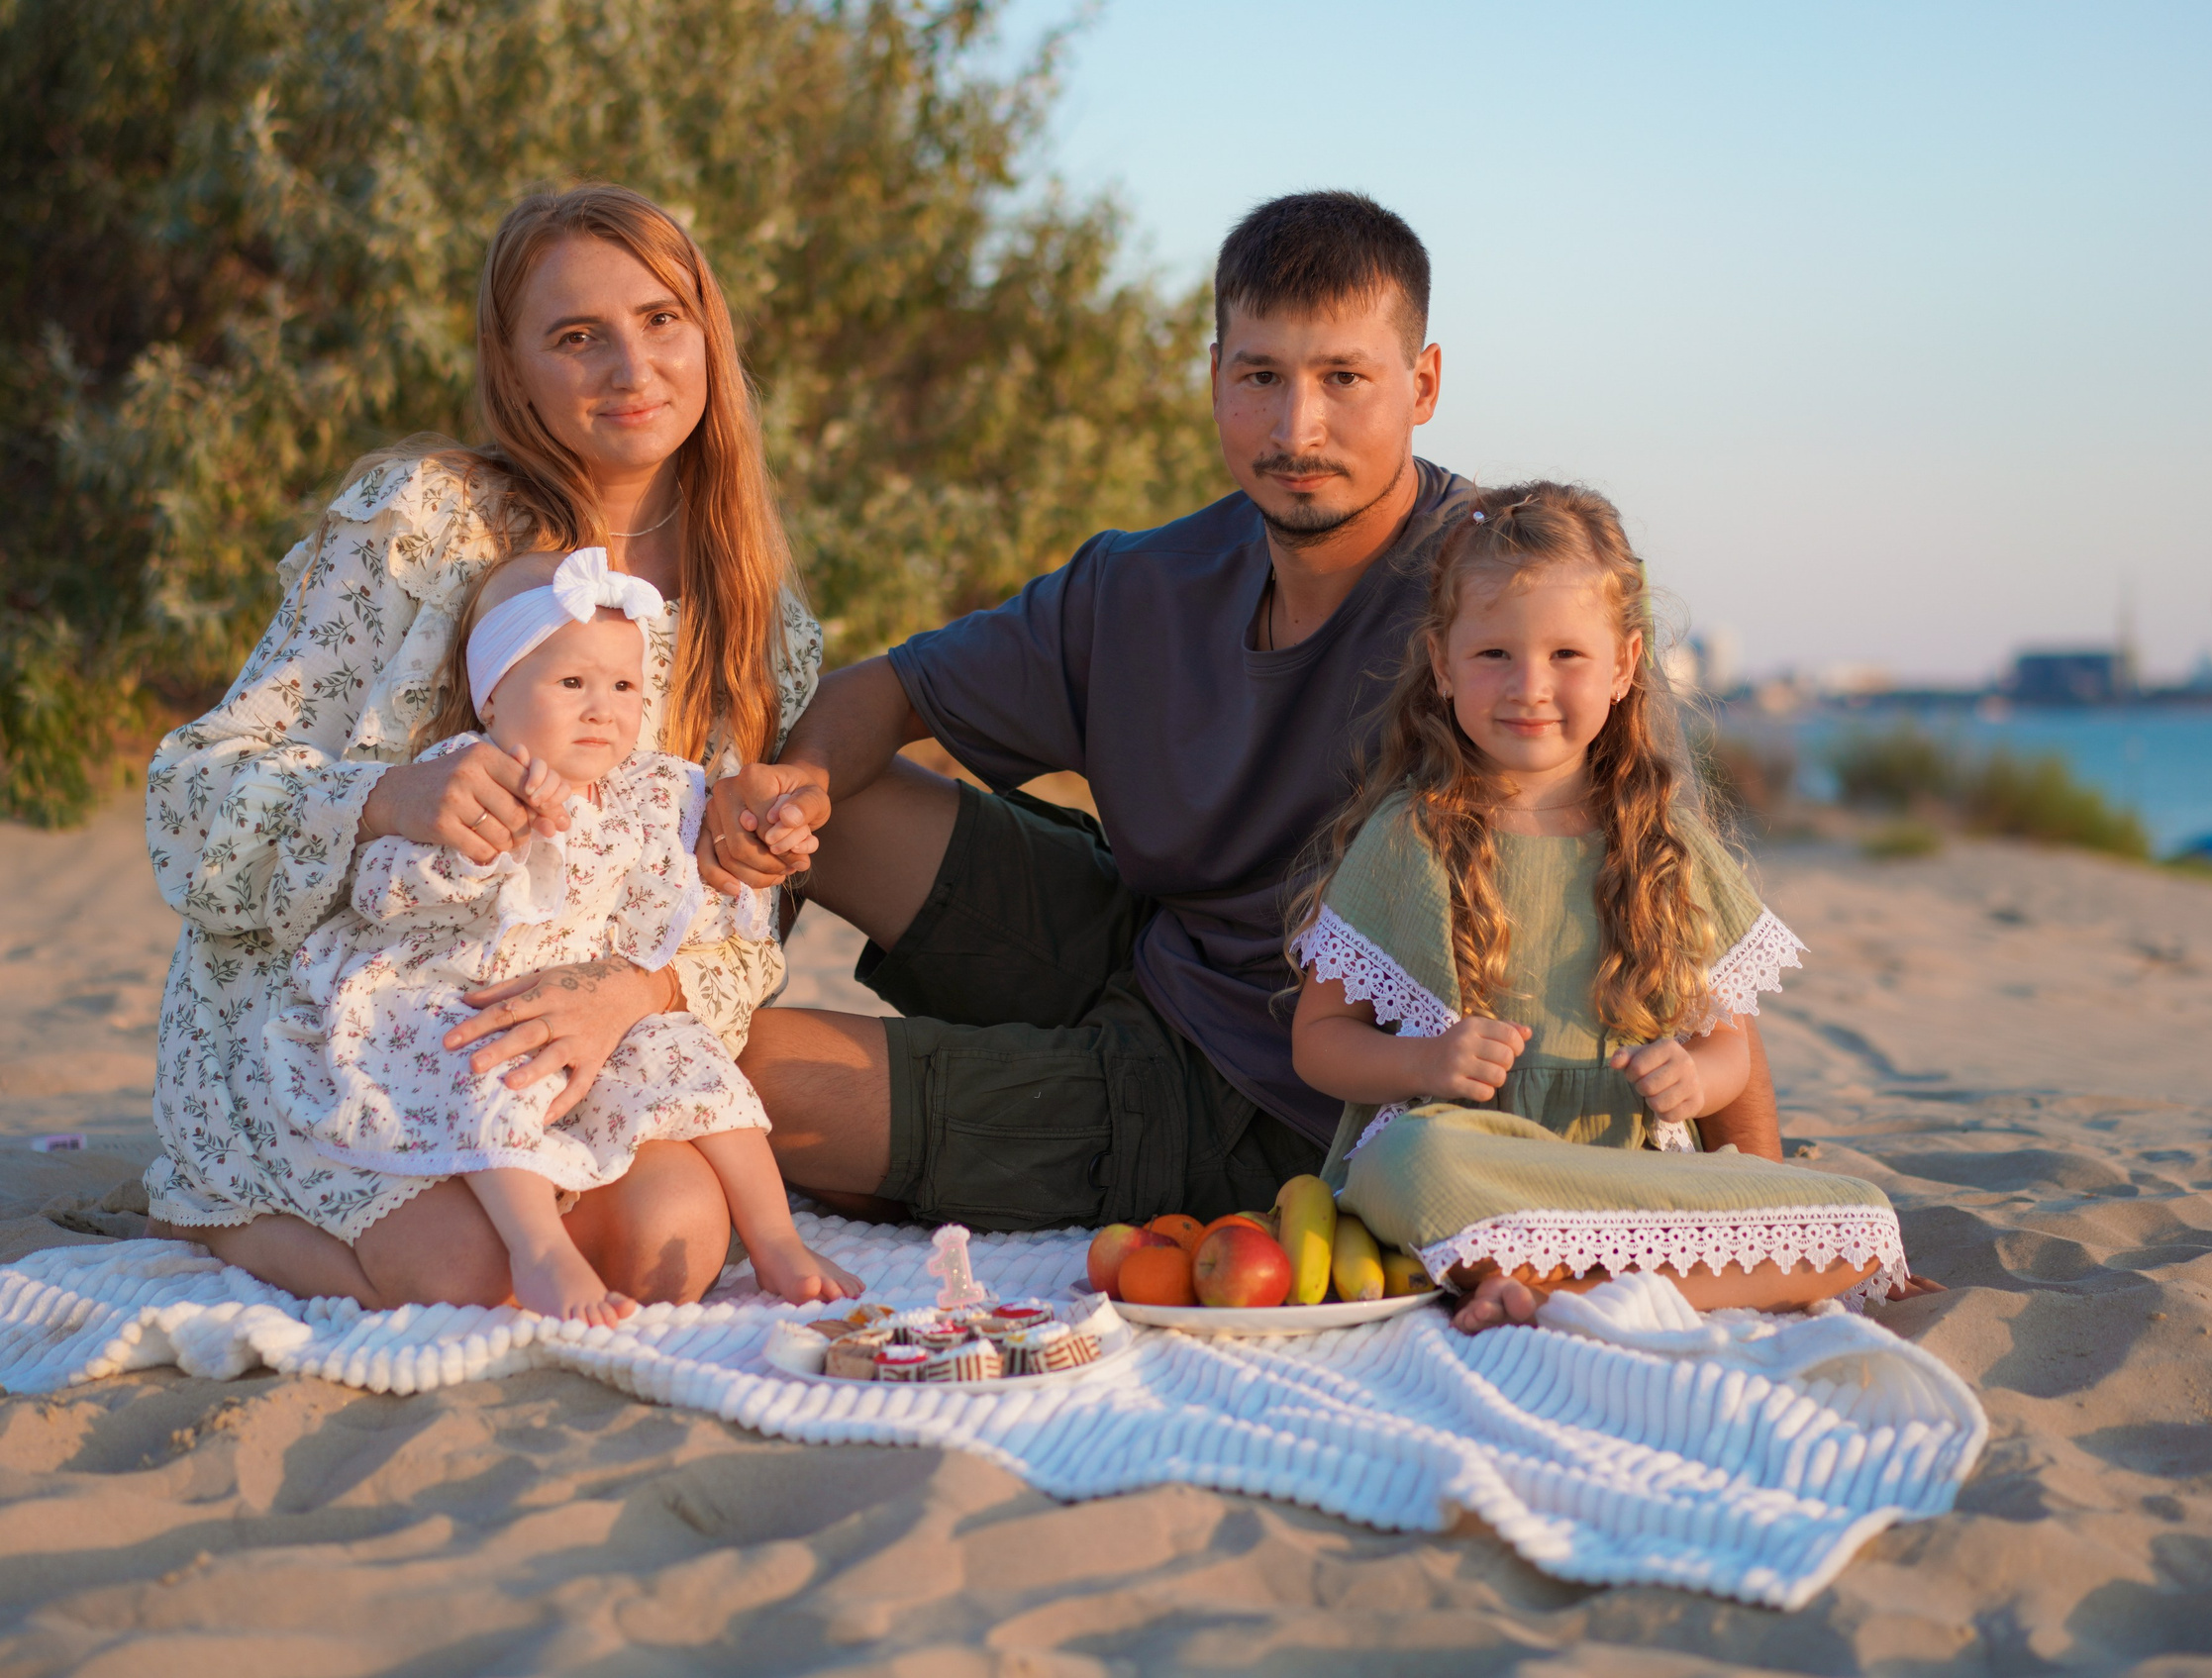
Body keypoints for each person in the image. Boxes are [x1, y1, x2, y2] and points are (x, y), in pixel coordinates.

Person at [704, 191, 1792, 1232]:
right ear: (1215, 375)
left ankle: (918, 1149)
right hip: (1146, 947)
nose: (1296, 426)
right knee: (822, 800)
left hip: (1278, 1093)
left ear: (1422, 383)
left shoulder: (1505, 606)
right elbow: (883, 690)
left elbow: (1669, 911)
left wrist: (1768, 1199)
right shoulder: (1140, 582)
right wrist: (790, 791)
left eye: (1343, 378)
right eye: (1262, 375)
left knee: (733, 1076)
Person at [145, 184, 824, 1311]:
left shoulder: (759, 622)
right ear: (513, 369)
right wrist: (389, 799)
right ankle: (214, 1203)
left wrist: (637, 987)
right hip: (348, 1018)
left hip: (567, 1039)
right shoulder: (423, 521)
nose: (632, 366)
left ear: (708, 330)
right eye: (577, 336)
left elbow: (739, 943)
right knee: (463, 1274)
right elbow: (188, 799)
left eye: (662, 318)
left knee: (676, 1240)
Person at [1285, 483, 1908, 1331]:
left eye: (1566, 655)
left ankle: (1554, 1291)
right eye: (1494, 653)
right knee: (1411, 1157)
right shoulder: (1411, 836)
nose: (1529, 686)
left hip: (1629, 1173)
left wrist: (1696, 1078)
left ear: (1623, 665)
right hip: (1480, 1170)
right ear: (1442, 663)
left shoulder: (1662, 842)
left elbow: (1729, 1046)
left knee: (1860, 1217)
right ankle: (1580, 1282)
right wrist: (1425, 1063)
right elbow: (1320, 1040)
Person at [262, 548, 861, 1321]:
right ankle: (538, 1246)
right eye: (571, 683)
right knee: (486, 1063)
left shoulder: (649, 790)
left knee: (685, 1049)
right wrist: (488, 848)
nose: (601, 709)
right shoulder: (464, 773)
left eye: (622, 687)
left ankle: (775, 1236)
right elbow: (385, 891)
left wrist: (757, 839)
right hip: (460, 987)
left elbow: (698, 895)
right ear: (494, 696)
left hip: (589, 1001)